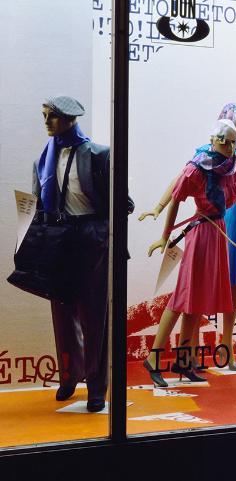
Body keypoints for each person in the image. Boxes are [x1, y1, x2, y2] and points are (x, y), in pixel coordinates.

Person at [140, 104, 236, 369]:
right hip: (209, 225)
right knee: (191, 292)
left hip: (229, 226)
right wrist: (159, 211)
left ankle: (211, 354)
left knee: (227, 289)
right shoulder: (202, 161)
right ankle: (176, 357)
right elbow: (179, 188)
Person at [34, 96, 133, 413]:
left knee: (95, 316)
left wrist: (105, 232)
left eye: (51, 116)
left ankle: (96, 387)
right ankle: (69, 376)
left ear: (69, 119)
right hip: (59, 238)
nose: (46, 122)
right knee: (62, 314)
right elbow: (38, 204)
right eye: (44, 115)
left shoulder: (98, 154)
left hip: (91, 237)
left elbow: (123, 202)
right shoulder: (43, 159)